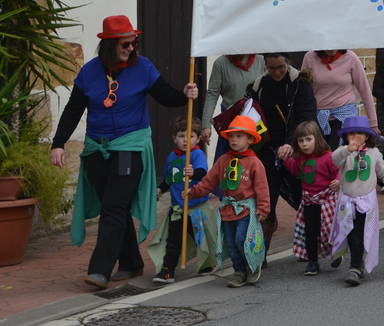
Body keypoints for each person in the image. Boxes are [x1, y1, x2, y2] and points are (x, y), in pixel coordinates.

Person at [49, 15, 199, 289]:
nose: (131, 48)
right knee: (115, 207)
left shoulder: (143, 67)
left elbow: (165, 95)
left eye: (134, 43)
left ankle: (99, 270)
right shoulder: (89, 72)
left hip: (130, 147)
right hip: (97, 149)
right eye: (125, 44)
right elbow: (73, 110)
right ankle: (131, 262)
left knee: (113, 207)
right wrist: (58, 143)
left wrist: (184, 94)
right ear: (109, 44)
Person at [243, 52, 318, 259]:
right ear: (265, 66)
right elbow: (249, 117)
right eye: (271, 68)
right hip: (267, 149)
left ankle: (312, 247)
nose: (276, 72)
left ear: (288, 63)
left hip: (296, 148)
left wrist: (292, 143)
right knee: (266, 198)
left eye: (281, 67)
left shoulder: (300, 84)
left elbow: (307, 118)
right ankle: (259, 255)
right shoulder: (258, 86)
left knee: (303, 196)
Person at [184, 115, 270, 288]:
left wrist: (263, 208)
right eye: (231, 136)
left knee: (241, 240)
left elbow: (262, 188)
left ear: (250, 139)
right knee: (230, 244)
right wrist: (193, 192)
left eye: (239, 136)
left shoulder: (255, 163)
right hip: (227, 210)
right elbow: (209, 181)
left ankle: (252, 265)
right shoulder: (223, 160)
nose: (233, 140)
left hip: (246, 210)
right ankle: (239, 271)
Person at [329, 115, 384, 286]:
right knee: (349, 233)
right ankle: (356, 261)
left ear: (367, 135)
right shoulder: (343, 152)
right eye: (351, 133)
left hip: (366, 203)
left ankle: (354, 268)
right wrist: (348, 150)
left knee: (359, 234)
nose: (356, 136)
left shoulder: (374, 153)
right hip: (347, 202)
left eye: (360, 133)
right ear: (345, 136)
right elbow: (334, 159)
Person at [148, 117, 217, 284]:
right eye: (181, 136)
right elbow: (169, 179)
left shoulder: (198, 154)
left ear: (198, 139)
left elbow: (202, 172)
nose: (186, 140)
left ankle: (208, 263)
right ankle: (168, 270)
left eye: (190, 136)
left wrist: (193, 173)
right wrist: (160, 189)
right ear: (174, 139)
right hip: (178, 208)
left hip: (196, 208)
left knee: (201, 238)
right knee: (173, 240)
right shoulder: (171, 157)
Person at [277, 121, 340, 274]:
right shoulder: (301, 158)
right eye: (300, 140)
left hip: (326, 200)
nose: (304, 144)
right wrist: (285, 159)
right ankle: (313, 261)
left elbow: (338, 170)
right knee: (310, 232)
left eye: (308, 139)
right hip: (309, 201)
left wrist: (338, 181)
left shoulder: (329, 156)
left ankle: (336, 251)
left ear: (317, 138)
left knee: (329, 230)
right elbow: (295, 169)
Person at [302, 49, 378, 148]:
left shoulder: (351, 57)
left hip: (345, 116)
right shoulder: (309, 57)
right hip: (319, 116)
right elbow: (303, 91)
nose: (332, 49)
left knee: (339, 153)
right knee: (320, 153)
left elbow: (364, 90)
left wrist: (373, 123)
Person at [200, 54, 265, 157]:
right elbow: (212, 94)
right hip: (231, 124)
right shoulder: (221, 63)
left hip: (256, 123)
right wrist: (206, 125)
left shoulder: (262, 61)